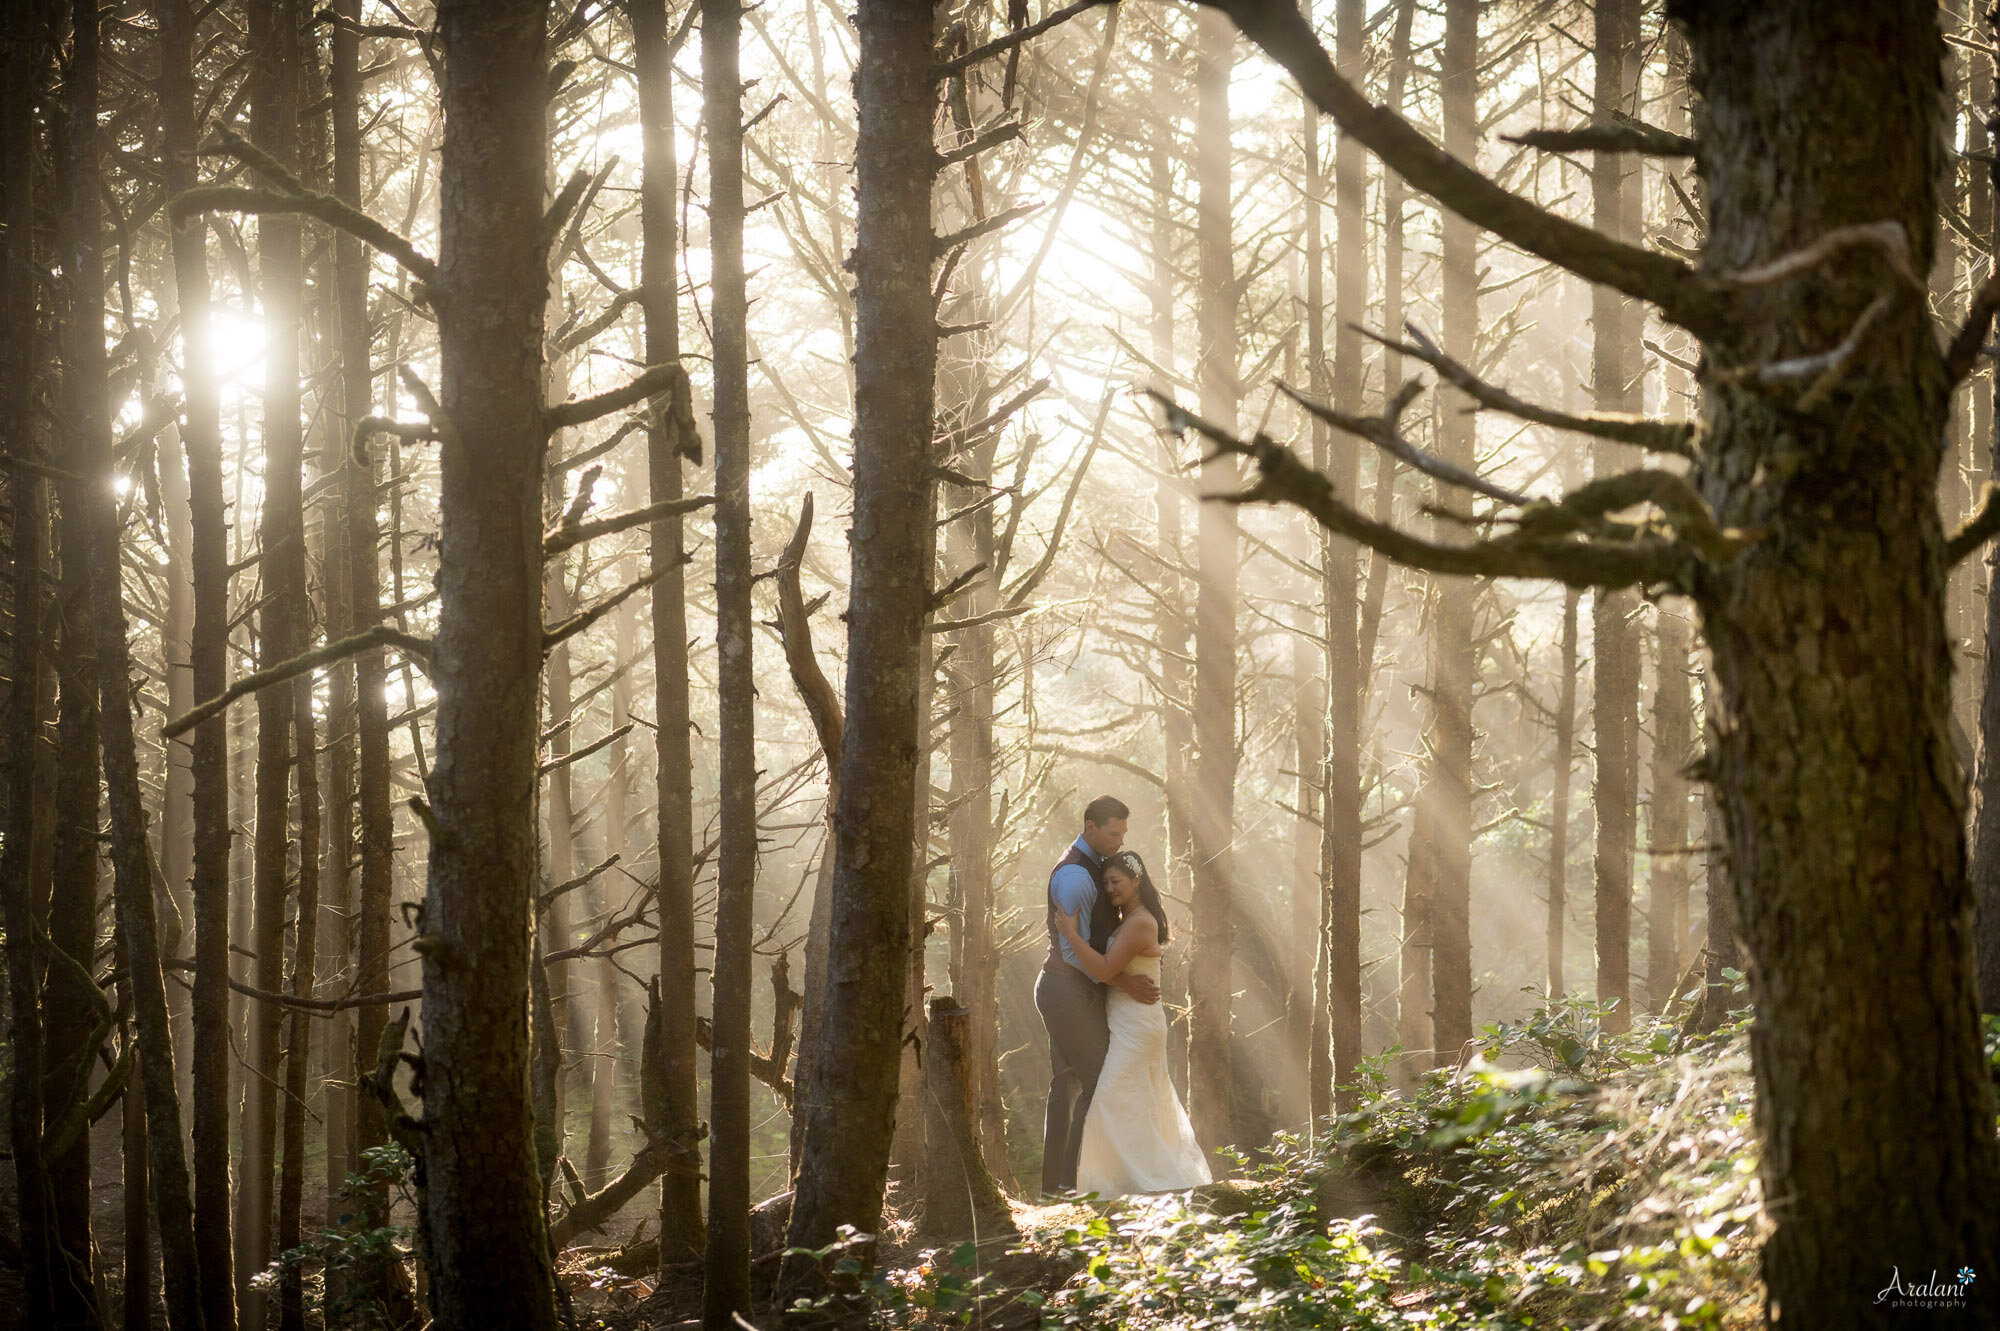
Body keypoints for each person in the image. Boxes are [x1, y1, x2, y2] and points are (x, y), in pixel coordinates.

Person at [1053, 849, 1211, 1197]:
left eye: (1116, 881)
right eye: (1106, 882)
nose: (1110, 889)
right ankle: (1132, 1178)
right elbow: (1117, 972)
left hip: (1138, 1025)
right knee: (1136, 1099)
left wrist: (1070, 934)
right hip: (1128, 1021)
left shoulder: (1140, 921)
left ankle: (1122, 1182)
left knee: (1112, 1097)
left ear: (1136, 880)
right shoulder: (1131, 918)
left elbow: (1105, 969)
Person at [1035, 795, 1160, 1198]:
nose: (1119, 842)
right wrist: (1124, 983)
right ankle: (1071, 1181)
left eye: (1123, 834)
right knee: (1095, 1081)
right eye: (1112, 833)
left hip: (1070, 990)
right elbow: (1073, 952)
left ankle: (1057, 1184)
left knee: (1068, 1084)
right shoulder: (1075, 876)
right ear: (1090, 826)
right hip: (1066, 990)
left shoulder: (1093, 867)